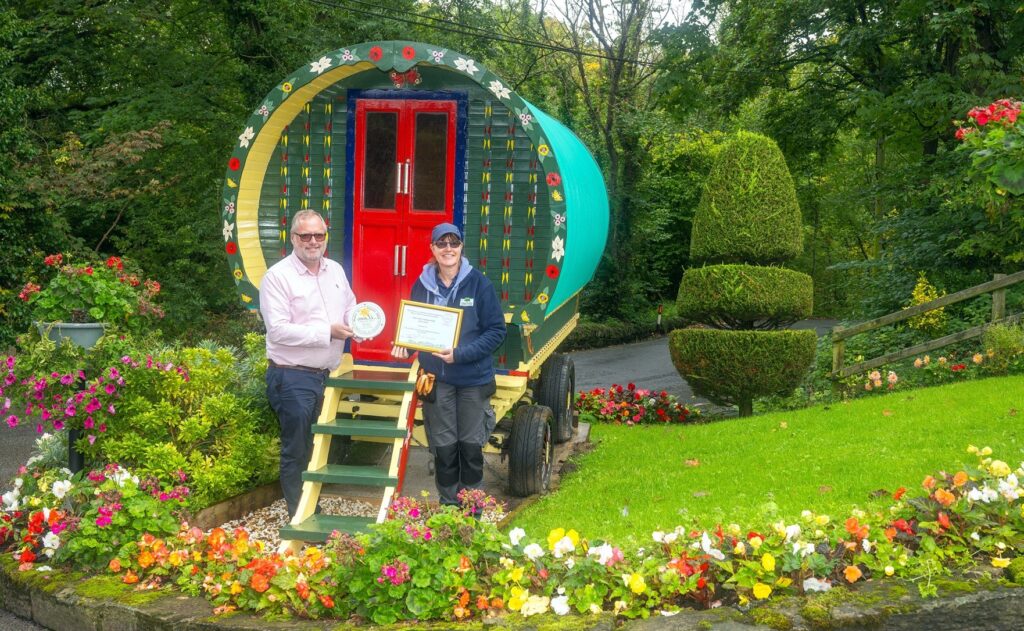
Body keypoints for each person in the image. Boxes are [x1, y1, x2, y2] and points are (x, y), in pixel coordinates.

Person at [391, 222, 506, 507]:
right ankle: (448, 507)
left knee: (470, 447)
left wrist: (460, 354)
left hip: (472, 380)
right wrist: (405, 346)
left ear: (461, 247)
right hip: (436, 380)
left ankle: (473, 508)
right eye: (441, 243)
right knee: (443, 448)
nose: (448, 249)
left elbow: (496, 331)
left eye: (453, 243)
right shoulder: (422, 285)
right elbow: (416, 328)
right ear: (432, 249)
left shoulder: (479, 284)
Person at [260, 210, 358, 519]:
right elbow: (278, 330)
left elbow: (351, 307)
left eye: (319, 235)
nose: (313, 241)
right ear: (293, 238)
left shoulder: (336, 271)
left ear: (326, 237)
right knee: (297, 450)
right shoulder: (277, 277)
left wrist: (362, 325)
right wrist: (327, 332)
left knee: (320, 446)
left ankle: (310, 504)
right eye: (305, 236)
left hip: (327, 376)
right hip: (292, 377)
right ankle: (301, 515)